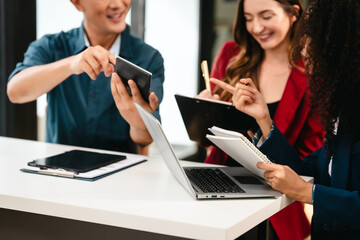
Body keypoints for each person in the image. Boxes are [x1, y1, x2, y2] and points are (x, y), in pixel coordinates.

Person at [213, 0, 360, 238]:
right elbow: (303, 169)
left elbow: (305, 182)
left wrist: (309, 193)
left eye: (311, 40)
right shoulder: (342, 111)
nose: (302, 51)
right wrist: (264, 120)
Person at [198, 0, 324, 239]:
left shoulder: (313, 72)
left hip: (274, 203)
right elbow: (206, 142)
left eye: (266, 17)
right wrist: (203, 112)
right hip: (216, 188)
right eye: (248, 18)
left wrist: (264, 131)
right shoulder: (231, 55)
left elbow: (308, 163)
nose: (256, 28)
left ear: (293, 14)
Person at [7, 0, 164, 155]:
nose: (117, 4)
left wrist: (137, 123)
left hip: (120, 174)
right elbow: (15, 91)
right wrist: (71, 64)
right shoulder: (52, 46)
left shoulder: (148, 57)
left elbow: (146, 138)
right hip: (59, 171)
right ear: (77, 3)